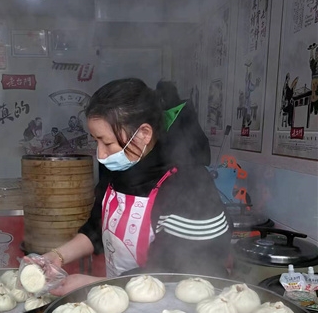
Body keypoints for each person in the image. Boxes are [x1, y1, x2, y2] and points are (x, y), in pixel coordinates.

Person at [45, 78, 232, 296]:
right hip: (121, 299)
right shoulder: (120, 169)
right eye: (96, 141)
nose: (101, 154)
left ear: (144, 133)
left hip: (173, 307)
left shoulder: (188, 184)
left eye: (107, 143)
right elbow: (97, 228)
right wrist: (56, 256)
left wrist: (94, 284)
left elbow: (176, 272)